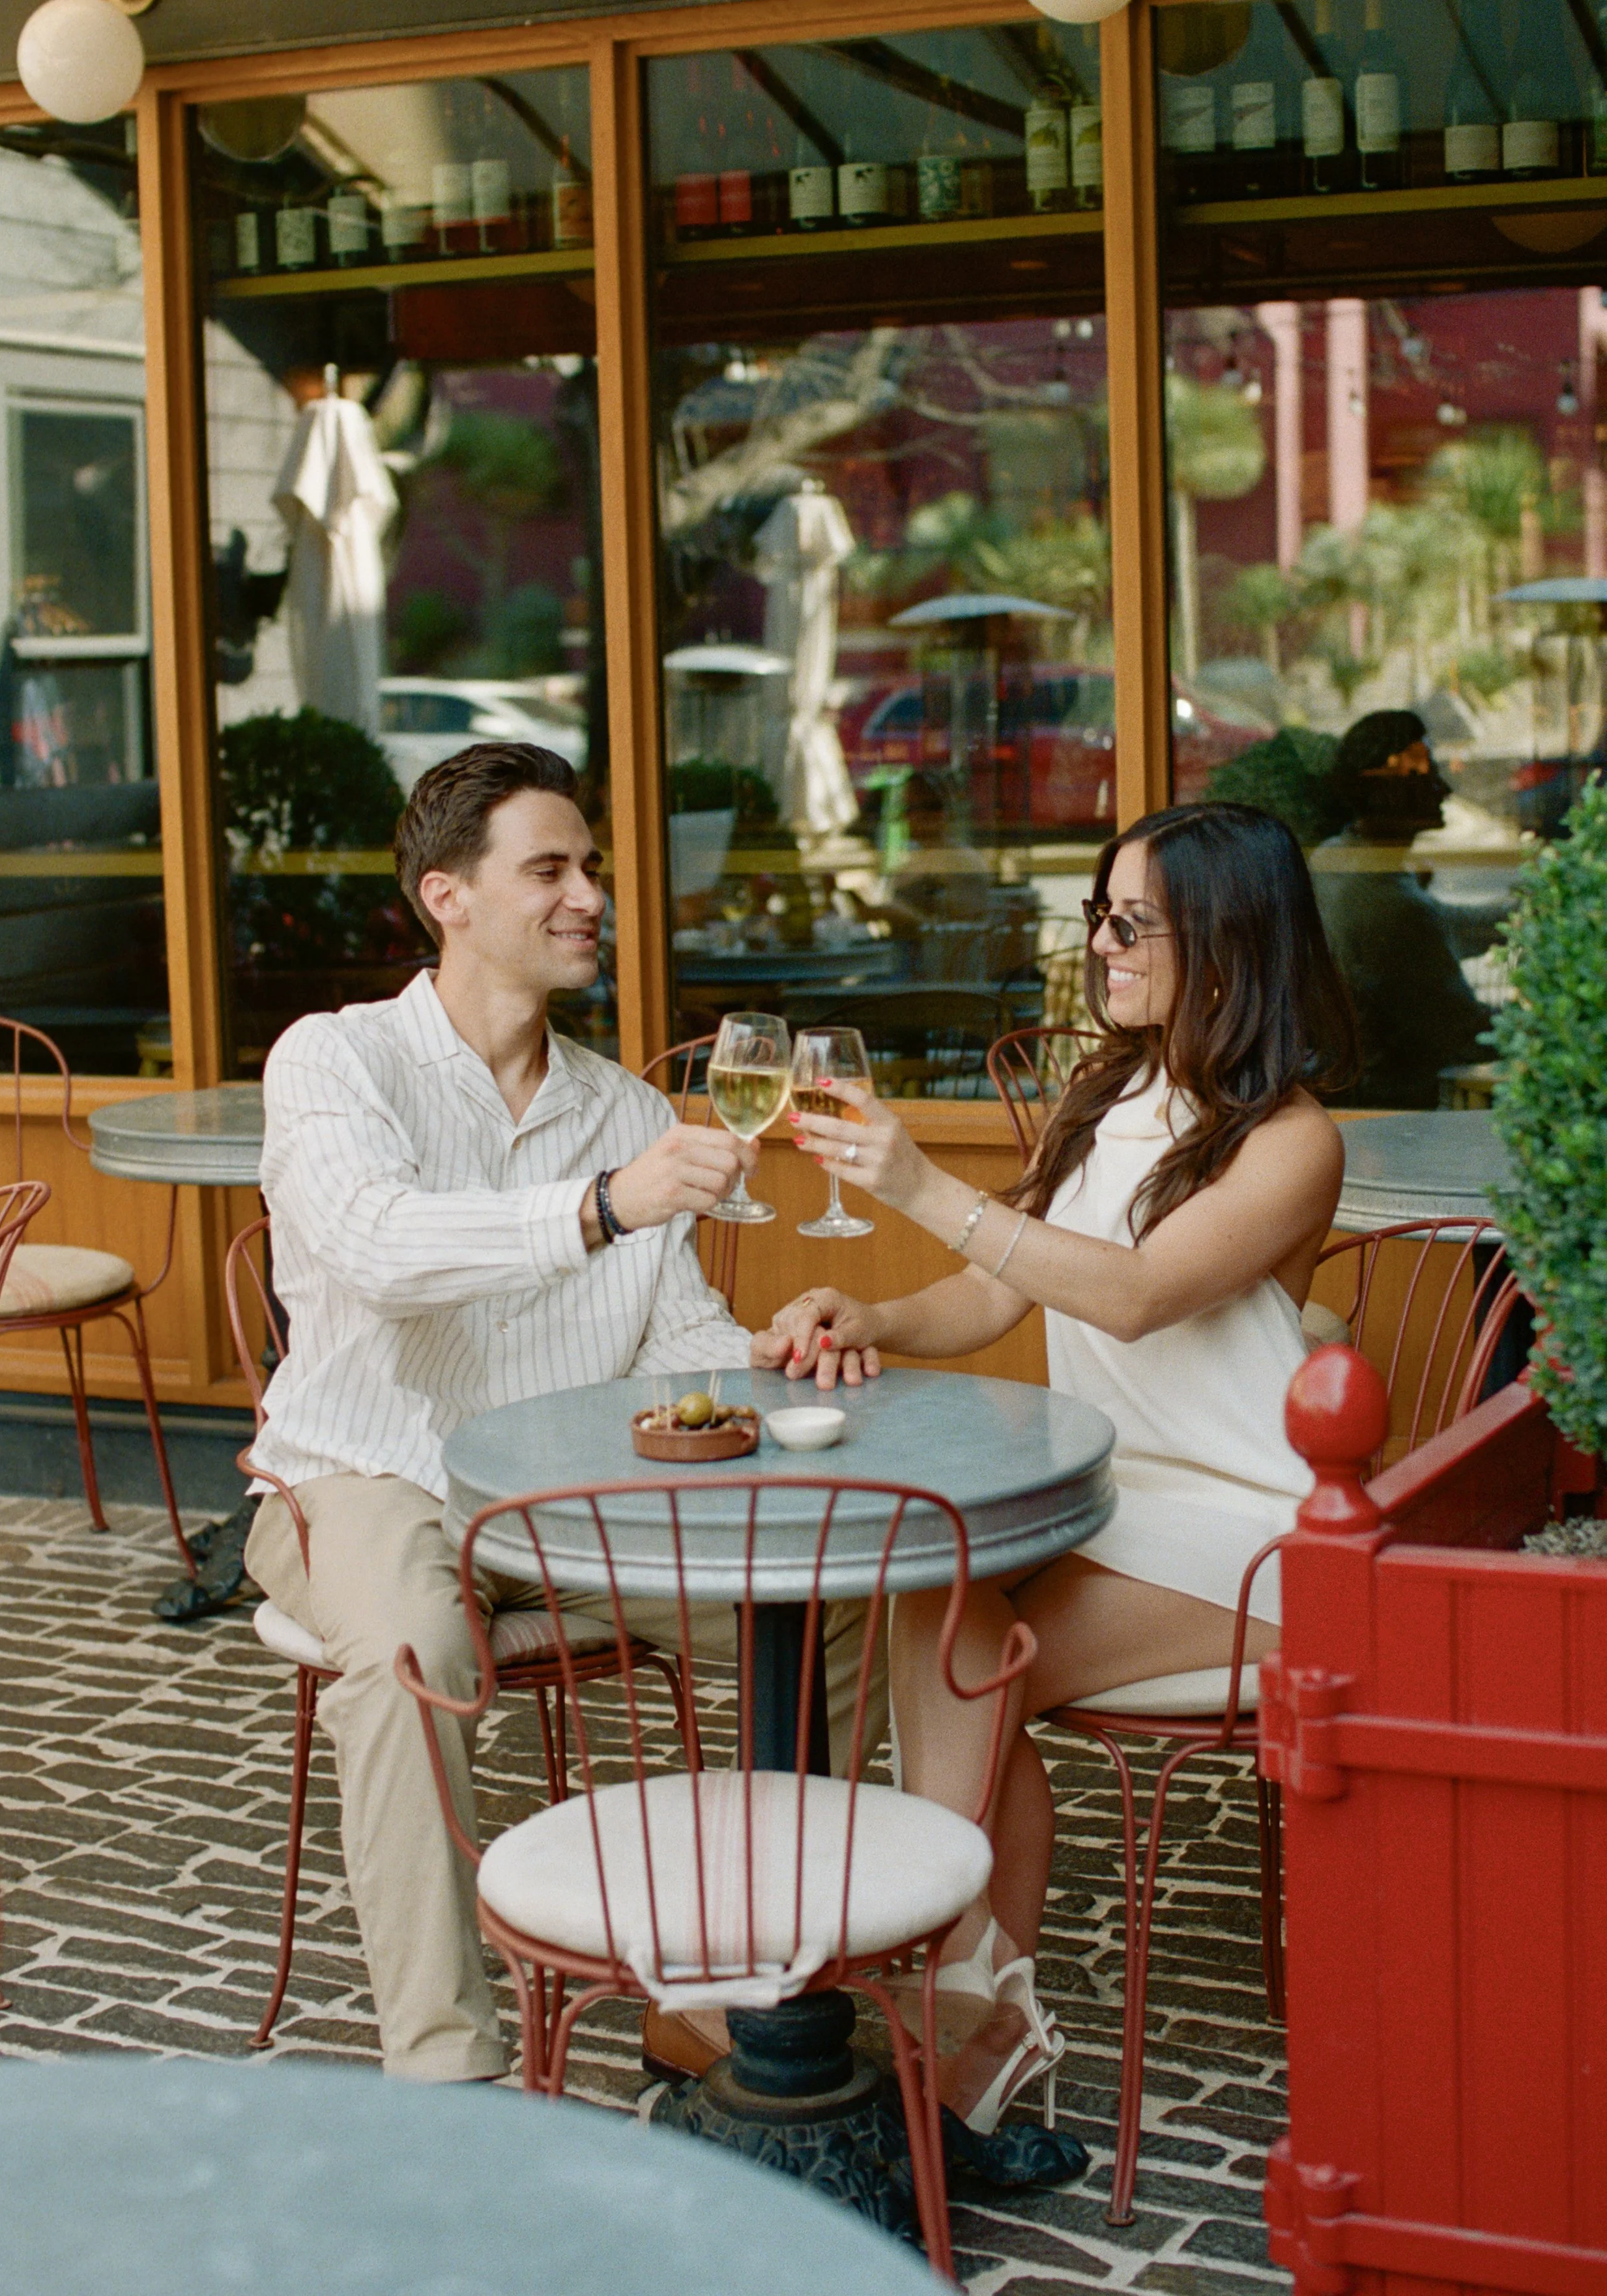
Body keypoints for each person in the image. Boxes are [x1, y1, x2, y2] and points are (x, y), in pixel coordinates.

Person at [243, 741, 881, 2086]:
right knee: (413, 1653)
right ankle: (449, 2073)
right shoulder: (336, 1058)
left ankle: (725, 1981)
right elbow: (376, 1245)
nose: (590, 895)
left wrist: (758, 1356)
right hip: (375, 1473)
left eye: (590, 867)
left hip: (568, 1499)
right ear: (448, 895)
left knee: (841, 1604)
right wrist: (600, 1206)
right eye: (549, 869)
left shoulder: (626, 1105)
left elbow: (670, 1335)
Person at [756, 801, 1357, 2129]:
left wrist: (923, 1184)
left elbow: (1134, 1295)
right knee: (936, 1601)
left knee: (970, 1663)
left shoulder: (1288, 1137)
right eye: (1099, 914)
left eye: (1134, 921)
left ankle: (945, 2003)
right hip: (1111, 1502)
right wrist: (869, 1315)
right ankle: (974, 2005)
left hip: (1254, 1533)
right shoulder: (1106, 1097)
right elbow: (994, 1290)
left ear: (1227, 942)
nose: (1103, 944)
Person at [1313, 710, 1495, 1108]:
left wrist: (1526, 912)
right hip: (1395, 1109)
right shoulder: (1391, 904)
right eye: (1427, 778)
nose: (1444, 790)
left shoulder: (1336, 856)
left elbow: (1437, 928)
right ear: (1391, 792)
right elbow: (1468, 1035)